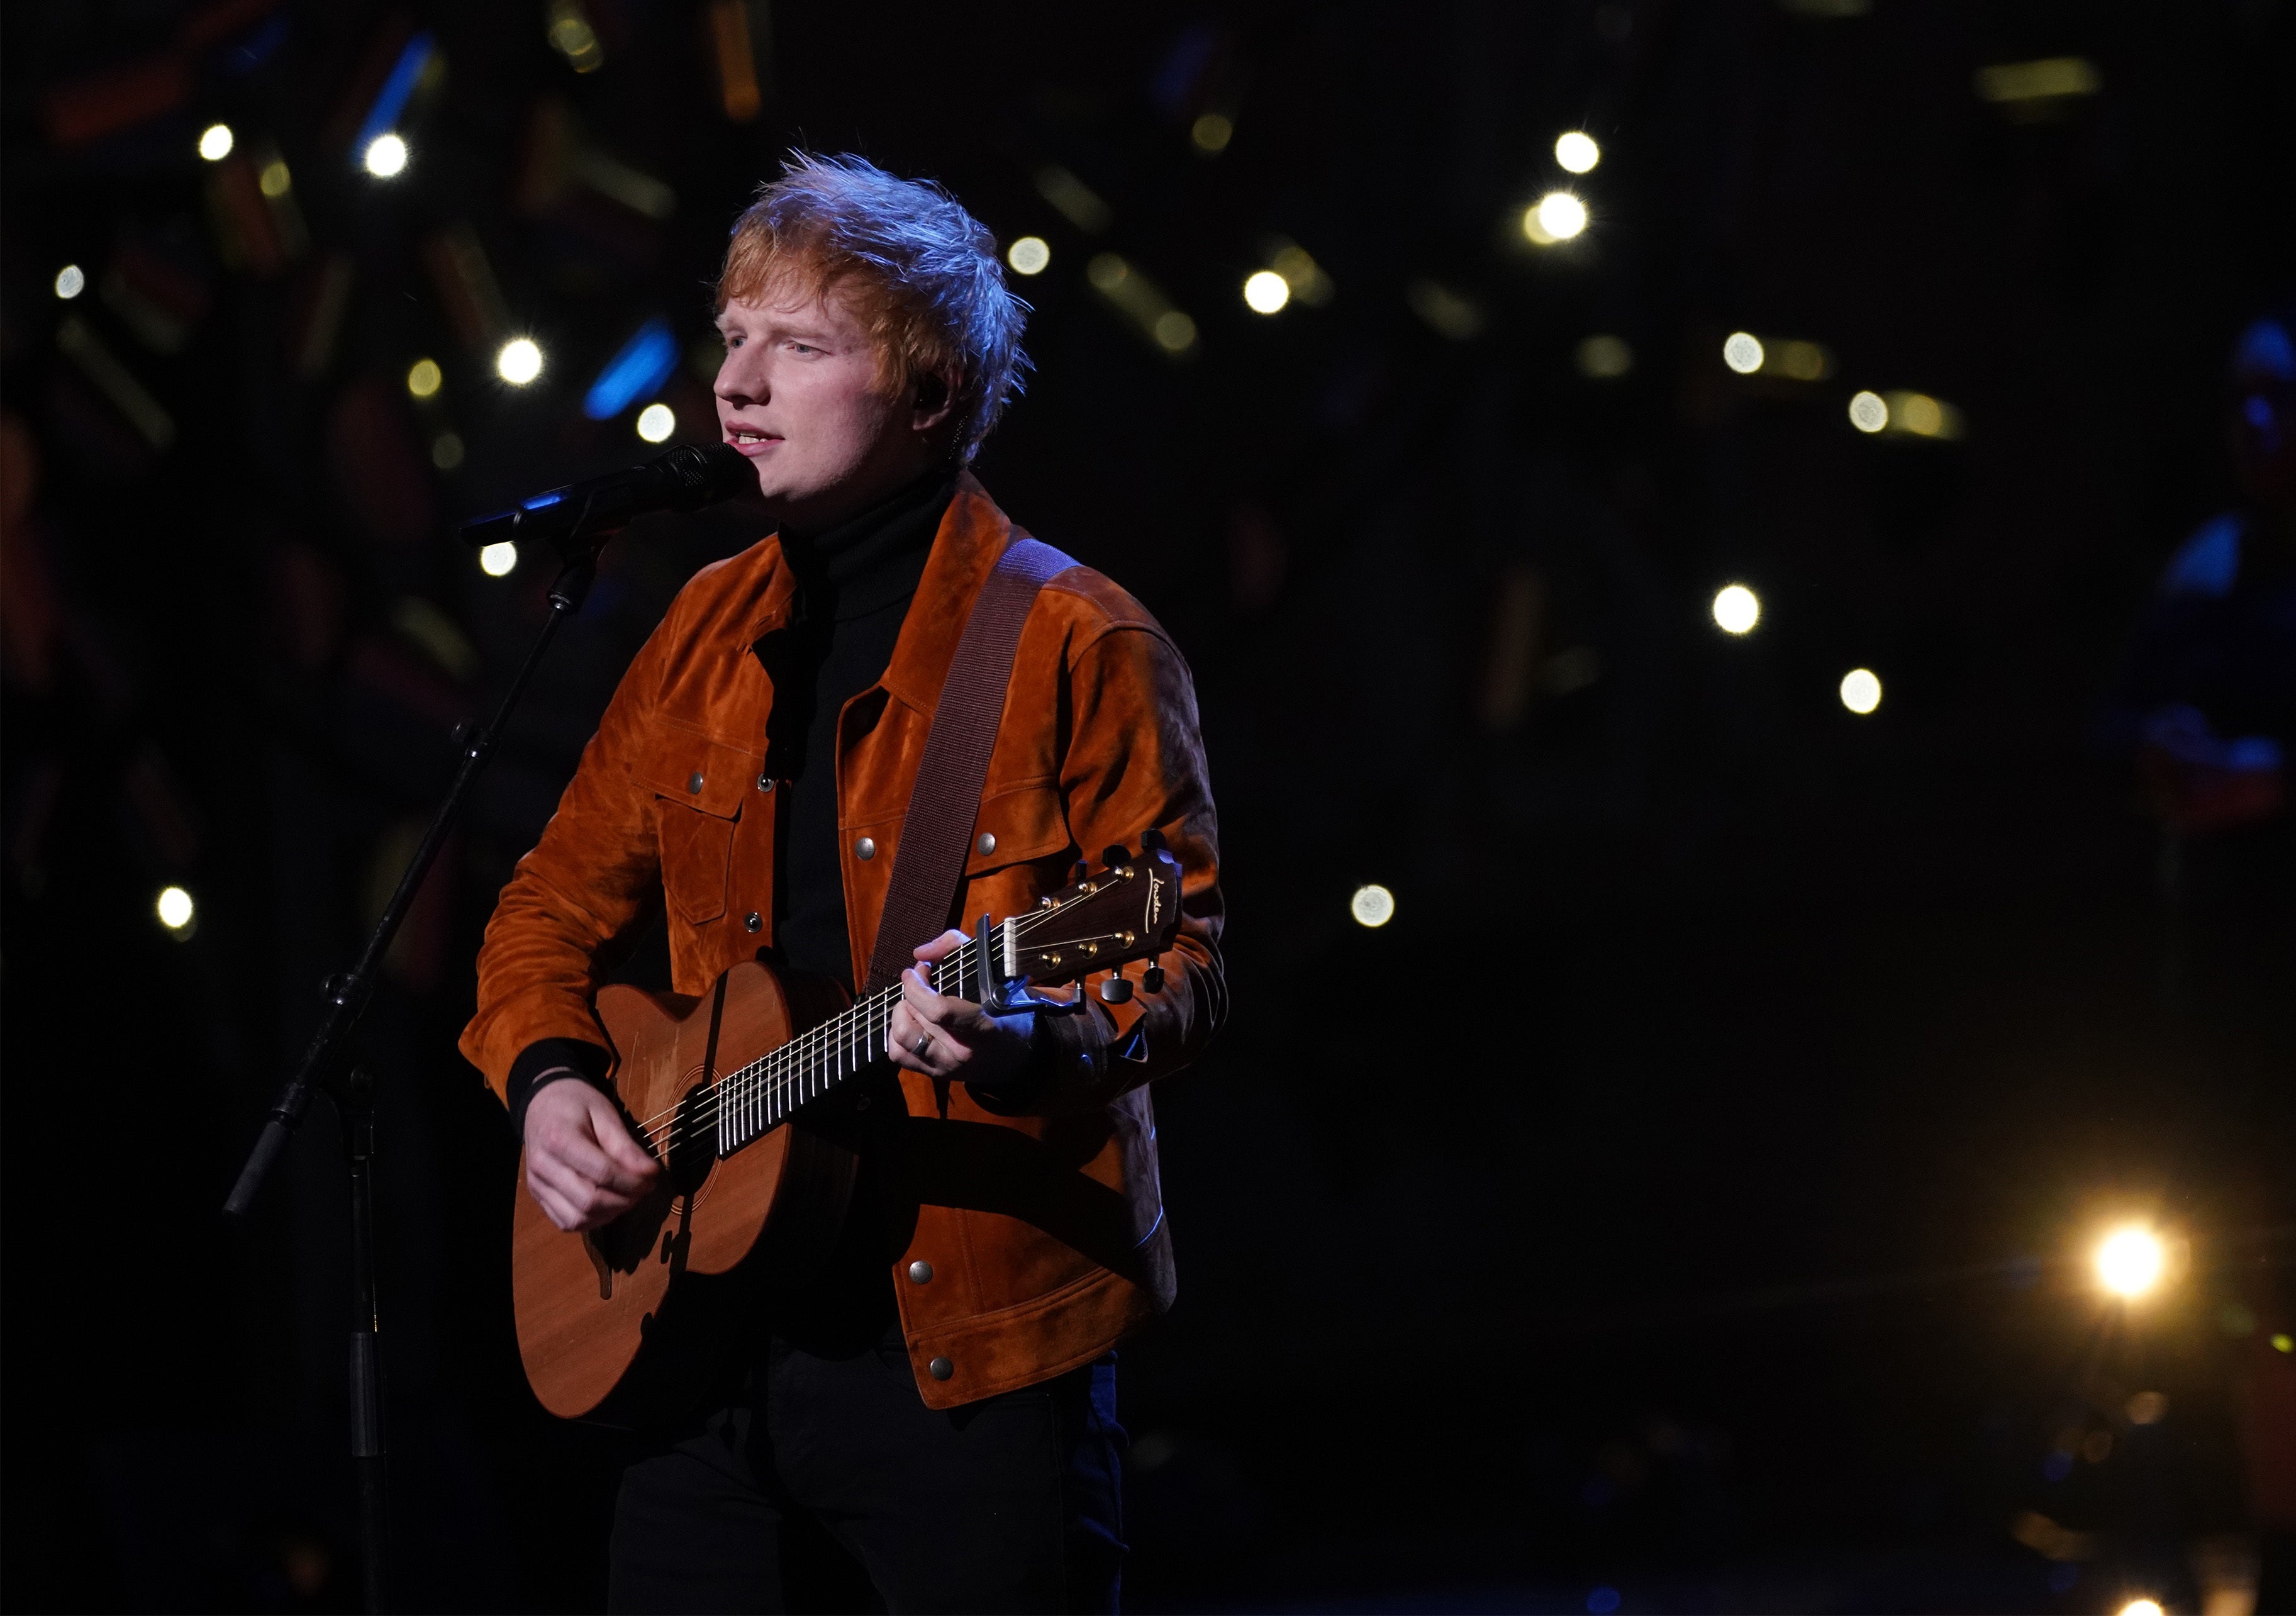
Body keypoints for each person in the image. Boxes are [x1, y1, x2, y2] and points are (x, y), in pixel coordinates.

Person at [457, 153, 1226, 1613]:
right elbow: (546, 904)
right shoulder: (700, 627)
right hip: (699, 1358)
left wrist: (1025, 1038)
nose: (737, 382)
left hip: (965, 1366)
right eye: (734, 335)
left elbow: (1175, 959)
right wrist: (552, 1077)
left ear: (931, 393)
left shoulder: (1076, 643)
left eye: (799, 346)